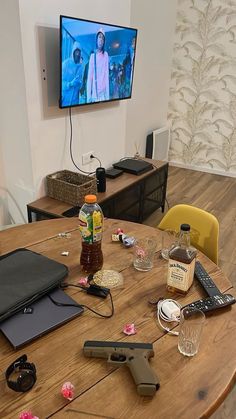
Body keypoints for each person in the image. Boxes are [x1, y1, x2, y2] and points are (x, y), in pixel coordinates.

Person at [87, 28, 109, 103]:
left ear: (104, 41)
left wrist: (108, 96)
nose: (101, 40)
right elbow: (89, 78)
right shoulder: (92, 56)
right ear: (96, 39)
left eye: (103, 38)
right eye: (99, 37)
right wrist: (88, 97)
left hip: (103, 94)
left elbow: (106, 76)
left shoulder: (105, 55)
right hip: (95, 96)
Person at [61, 41, 84, 107]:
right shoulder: (65, 64)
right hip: (65, 101)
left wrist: (80, 84)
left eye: (79, 52)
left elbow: (80, 85)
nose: (77, 54)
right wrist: (70, 84)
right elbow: (60, 84)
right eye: (76, 52)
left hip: (75, 102)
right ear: (73, 52)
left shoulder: (80, 67)